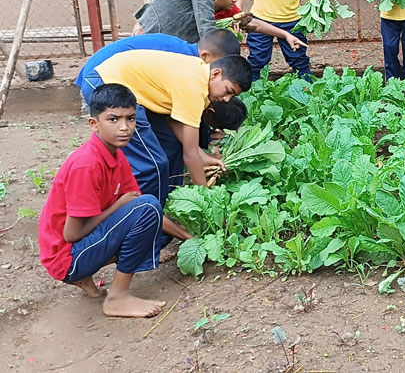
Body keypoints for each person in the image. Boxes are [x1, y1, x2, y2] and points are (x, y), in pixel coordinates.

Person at [79, 52, 252, 241]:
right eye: (228, 91)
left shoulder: (199, 76)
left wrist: (202, 155)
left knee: (171, 147)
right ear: (216, 74)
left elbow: (175, 123)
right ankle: (141, 226)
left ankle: (165, 214)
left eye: (232, 96)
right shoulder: (194, 86)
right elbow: (190, 154)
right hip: (106, 83)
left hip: (129, 89)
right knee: (153, 164)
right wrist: (208, 202)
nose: (227, 99)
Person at [38, 84, 166, 318]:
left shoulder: (116, 155)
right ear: (94, 124)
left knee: (146, 211)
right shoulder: (87, 164)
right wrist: (119, 206)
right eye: (113, 119)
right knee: (147, 207)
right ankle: (117, 299)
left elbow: (134, 202)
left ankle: (86, 280)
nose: (124, 127)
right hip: (66, 257)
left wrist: (187, 237)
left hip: (75, 247)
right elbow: (72, 235)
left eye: (130, 119)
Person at [76, 29, 241, 91]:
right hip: (100, 77)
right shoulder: (185, 62)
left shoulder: (181, 48)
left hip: (100, 71)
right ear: (205, 56)